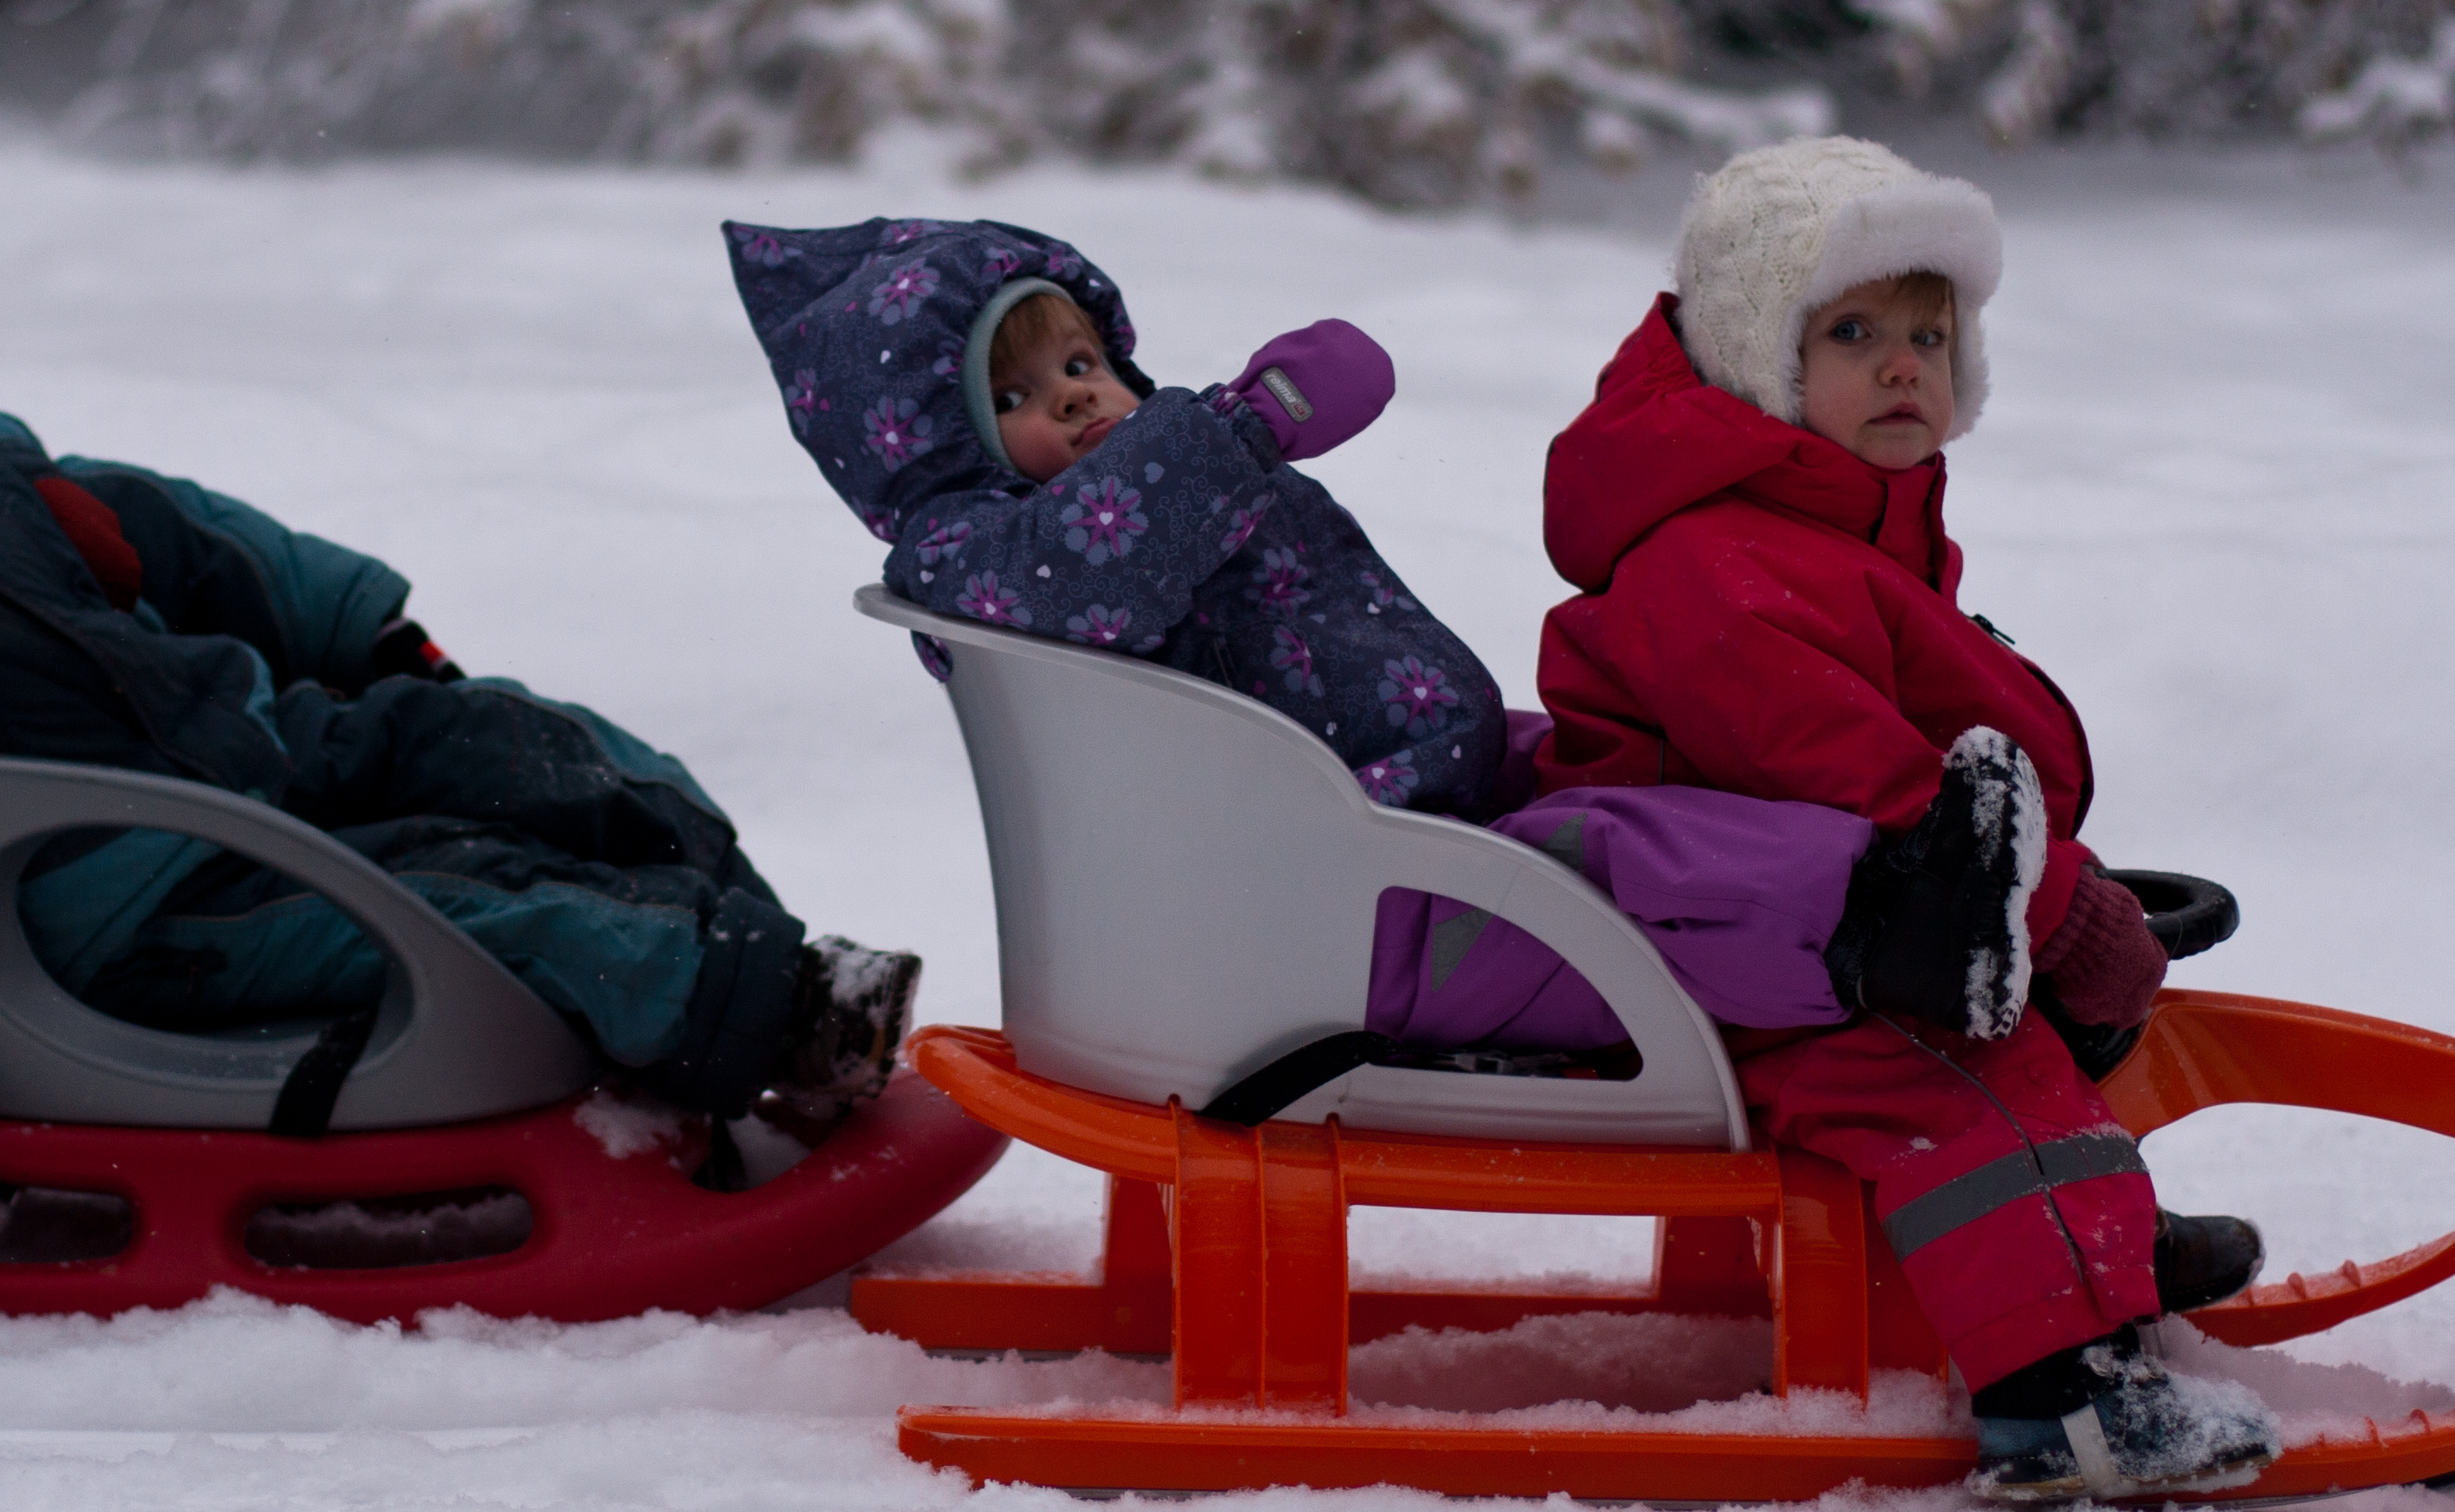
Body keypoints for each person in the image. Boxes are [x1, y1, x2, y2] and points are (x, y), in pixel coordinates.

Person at [0, 242, 914, 1140]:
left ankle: (750, 935)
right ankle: (779, 1017)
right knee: (468, 906)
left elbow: (207, 544)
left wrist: (363, 633)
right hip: (129, 900)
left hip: (275, 751)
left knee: (526, 747)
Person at [722, 214, 2052, 1066]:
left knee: (1626, 771)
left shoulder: (1159, 489)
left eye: (1083, 364)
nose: (1075, 400)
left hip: (1373, 827)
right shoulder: (977, 557)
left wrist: (1227, 441)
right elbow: (1083, 575)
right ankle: (1890, 926)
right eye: (1014, 392)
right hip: (1310, 914)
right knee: (1607, 854)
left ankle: (1927, 860)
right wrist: (1241, 429)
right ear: (938, 447)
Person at [1534, 136, 2276, 1500]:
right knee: (1954, 1072)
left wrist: (2054, 885)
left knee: (1996, 1025)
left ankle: (2085, 1240)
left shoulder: (1834, 518)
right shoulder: (1714, 557)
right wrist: (2059, 912)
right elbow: (1868, 785)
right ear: (1756, 352)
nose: (1902, 369)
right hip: (1716, 947)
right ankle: (2065, 1406)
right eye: (1854, 332)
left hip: (1789, 915)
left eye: (1929, 337)